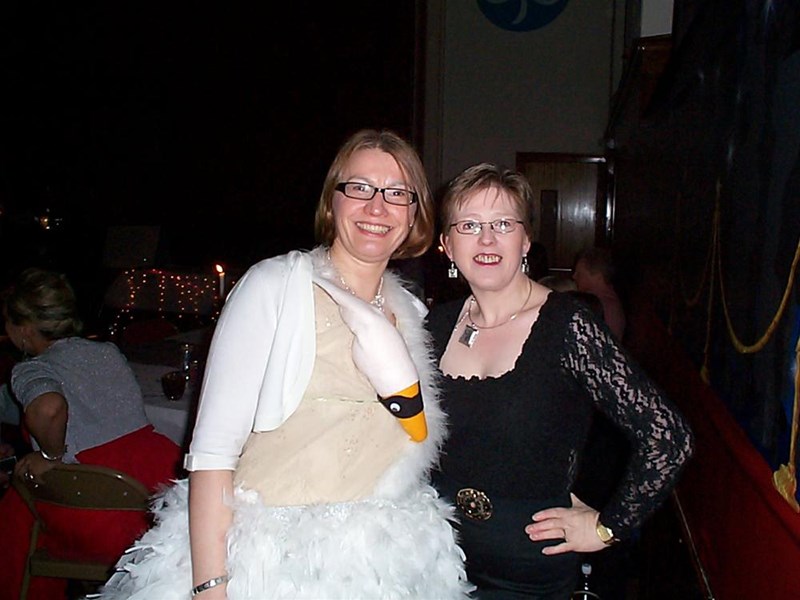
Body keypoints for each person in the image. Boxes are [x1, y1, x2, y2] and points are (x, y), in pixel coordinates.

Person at [98, 129, 471, 599]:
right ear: (332, 201)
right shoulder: (276, 286)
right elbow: (212, 453)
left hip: (380, 568)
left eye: (397, 193)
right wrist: (211, 589)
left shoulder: (412, 315)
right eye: (359, 187)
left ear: (414, 213)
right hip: (268, 565)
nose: (377, 207)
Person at [427, 163, 694, 599]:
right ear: (447, 245)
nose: (487, 239)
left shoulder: (568, 326)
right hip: (439, 560)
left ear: (525, 240)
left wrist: (608, 526)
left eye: (503, 224)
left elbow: (669, 437)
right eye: (469, 225)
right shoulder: (434, 326)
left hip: (529, 573)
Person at [0, 268, 182, 600]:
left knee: (17, 509)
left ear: (24, 329)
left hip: (99, 511)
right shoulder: (107, 352)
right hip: (151, 499)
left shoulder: (30, 368)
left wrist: (50, 455)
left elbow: (49, 408)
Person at [572, 247, 626, 342]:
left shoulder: (606, 305)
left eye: (579, 273)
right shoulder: (606, 300)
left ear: (597, 276)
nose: (574, 276)